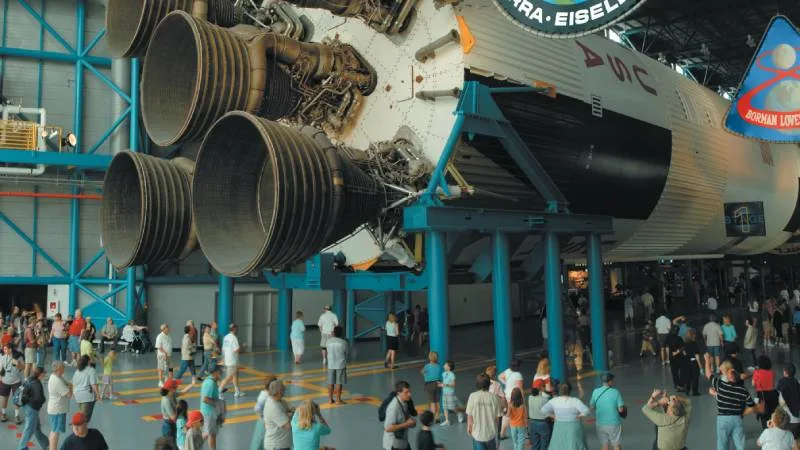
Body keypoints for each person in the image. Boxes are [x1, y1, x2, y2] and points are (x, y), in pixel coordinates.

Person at [704, 352, 756, 450]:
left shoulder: (720, 385)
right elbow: (752, 406)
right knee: (740, 444)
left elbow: (708, 374)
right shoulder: (743, 390)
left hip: (723, 419)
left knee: (722, 443)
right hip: (737, 419)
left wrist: (707, 360)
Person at [541, 382, 590, 450]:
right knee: (573, 445)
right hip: (573, 426)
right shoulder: (575, 401)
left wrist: (553, 416)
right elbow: (586, 410)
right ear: (570, 390)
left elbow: (543, 410)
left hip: (559, 427)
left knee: (559, 445)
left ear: (559, 391)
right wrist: (579, 416)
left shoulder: (554, 401)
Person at [466, 373, 505, 450]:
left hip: (477, 434)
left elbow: (469, 415)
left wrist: (469, 426)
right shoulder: (494, 398)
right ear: (489, 385)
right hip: (491, 435)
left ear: (477, 384)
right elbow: (498, 418)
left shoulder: (472, 396)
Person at [589, 372, 625, 450]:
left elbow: (592, 407)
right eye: (612, 380)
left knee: (604, 445)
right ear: (609, 381)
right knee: (616, 445)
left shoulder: (595, 391)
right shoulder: (615, 392)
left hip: (600, 423)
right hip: (614, 423)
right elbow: (621, 409)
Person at [17, 365, 48, 450]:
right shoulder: (37, 384)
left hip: (26, 406)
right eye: (44, 373)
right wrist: (44, 399)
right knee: (29, 428)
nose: (45, 375)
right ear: (40, 374)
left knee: (36, 428)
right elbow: (39, 398)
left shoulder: (29, 379)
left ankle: (45, 444)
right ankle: (22, 447)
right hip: (32, 409)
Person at [383, 380, 417, 450]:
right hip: (394, 445)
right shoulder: (394, 408)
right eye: (406, 392)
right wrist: (407, 424)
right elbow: (388, 428)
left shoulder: (405, 402)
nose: (409, 394)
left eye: (409, 391)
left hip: (403, 441)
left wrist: (411, 422)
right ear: (399, 393)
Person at [48, 360, 72, 450]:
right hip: (57, 410)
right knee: (56, 432)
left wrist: (69, 385)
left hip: (55, 409)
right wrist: (70, 387)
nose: (64, 368)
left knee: (54, 430)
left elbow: (67, 383)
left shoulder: (57, 377)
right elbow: (69, 395)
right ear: (59, 369)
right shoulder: (57, 381)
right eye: (63, 367)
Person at [250, 375, 279, 450]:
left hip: (267, 421)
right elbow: (257, 408)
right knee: (260, 440)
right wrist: (262, 416)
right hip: (263, 422)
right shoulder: (264, 396)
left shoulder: (269, 394)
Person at [263, 380, 292, 450]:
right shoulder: (273, 407)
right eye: (283, 389)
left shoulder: (281, 401)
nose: (284, 391)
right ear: (279, 391)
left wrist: (289, 414)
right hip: (276, 446)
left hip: (283, 444)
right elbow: (288, 426)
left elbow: (288, 411)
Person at [499, 358, 525, 438]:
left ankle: (502, 433)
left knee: (507, 414)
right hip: (514, 397)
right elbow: (520, 389)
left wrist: (506, 383)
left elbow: (499, 376)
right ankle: (515, 432)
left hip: (507, 395)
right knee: (515, 414)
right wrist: (523, 400)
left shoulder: (507, 371)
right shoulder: (518, 375)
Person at [0, 341, 24, 424]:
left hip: (16, 381)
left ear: (10, 349)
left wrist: (17, 363)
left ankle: (17, 416)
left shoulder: (18, 356)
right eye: (4, 349)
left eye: (6, 349)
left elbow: (23, 367)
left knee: (16, 399)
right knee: (4, 398)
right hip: (4, 381)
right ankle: (3, 414)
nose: (4, 350)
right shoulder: (2, 357)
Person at [72, 355, 100, 422]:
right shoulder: (91, 370)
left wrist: (73, 393)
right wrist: (98, 394)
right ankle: (81, 431)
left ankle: (79, 429)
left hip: (78, 395)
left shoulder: (77, 371)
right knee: (85, 419)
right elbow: (93, 384)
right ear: (89, 361)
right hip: (87, 396)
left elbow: (73, 384)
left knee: (81, 414)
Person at [754, 355, 779, 429]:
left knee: (764, 415)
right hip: (772, 395)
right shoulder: (772, 373)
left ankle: (766, 430)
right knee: (773, 414)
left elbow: (753, 383)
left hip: (762, 396)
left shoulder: (757, 372)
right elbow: (773, 384)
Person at [200, 365, 222, 450]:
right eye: (219, 371)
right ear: (215, 372)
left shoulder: (210, 380)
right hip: (209, 413)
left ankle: (194, 446)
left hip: (208, 411)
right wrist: (216, 403)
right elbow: (205, 399)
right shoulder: (210, 383)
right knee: (211, 434)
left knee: (206, 433)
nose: (220, 372)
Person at [219, 323, 243, 397]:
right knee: (228, 377)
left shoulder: (225, 337)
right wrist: (243, 347)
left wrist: (223, 359)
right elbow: (237, 350)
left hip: (228, 360)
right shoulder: (233, 338)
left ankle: (237, 391)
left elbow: (223, 350)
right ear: (235, 329)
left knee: (235, 375)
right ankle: (219, 389)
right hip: (232, 361)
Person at [326, 326, 348, 405]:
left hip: (331, 364)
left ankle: (330, 399)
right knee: (339, 382)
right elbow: (346, 353)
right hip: (340, 364)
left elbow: (327, 352)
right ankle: (338, 400)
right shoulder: (343, 342)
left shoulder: (328, 342)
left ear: (334, 333)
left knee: (330, 382)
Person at [777, 364, 800, 438]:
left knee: (791, 440)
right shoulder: (796, 382)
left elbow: (782, 402)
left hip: (788, 419)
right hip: (797, 416)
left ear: (785, 372)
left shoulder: (782, 382)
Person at [528, 380, 552, 450]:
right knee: (544, 445)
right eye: (544, 386)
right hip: (543, 424)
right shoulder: (545, 400)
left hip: (532, 424)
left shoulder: (530, 398)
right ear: (541, 388)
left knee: (535, 445)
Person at [440, 360, 465, 425]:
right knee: (445, 407)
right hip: (444, 392)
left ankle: (459, 413)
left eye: (445, 364)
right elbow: (444, 382)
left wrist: (445, 385)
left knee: (452, 407)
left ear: (449, 367)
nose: (444, 365)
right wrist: (441, 384)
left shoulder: (452, 375)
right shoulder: (444, 374)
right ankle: (447, 420)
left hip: (450, 393)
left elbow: (453, 384)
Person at [421, 351, 443, 421]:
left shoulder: (427, 366)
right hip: (438, 384)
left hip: (429, 385)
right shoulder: (439, 366)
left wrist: (425, 376)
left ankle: (432, 417)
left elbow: (422, 372)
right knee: (437, 401)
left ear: (429, 357)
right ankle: (437, 417)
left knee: (432, 402)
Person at [683, 329, 703, 396]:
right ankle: (695, 392)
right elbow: (697, 355)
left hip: (686, 361)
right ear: (693, 335)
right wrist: (700, 366)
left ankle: (687, 390)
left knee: (688, 376)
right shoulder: (694, 344)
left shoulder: (685, 343)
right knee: (695, 377)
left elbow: (684, 353)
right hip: (693, 361)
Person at [155, 324, 173, 388]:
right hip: (162, 356)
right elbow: (158, 347)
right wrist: (164, 353)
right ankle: (160, 382)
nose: (168, 329)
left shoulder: (168, 335)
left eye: (168, 327)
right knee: (161, 369)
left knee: (170, 368)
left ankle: (169, 380)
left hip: (169, 355)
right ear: (164, 329)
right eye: (167, 328)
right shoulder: (160, 336)